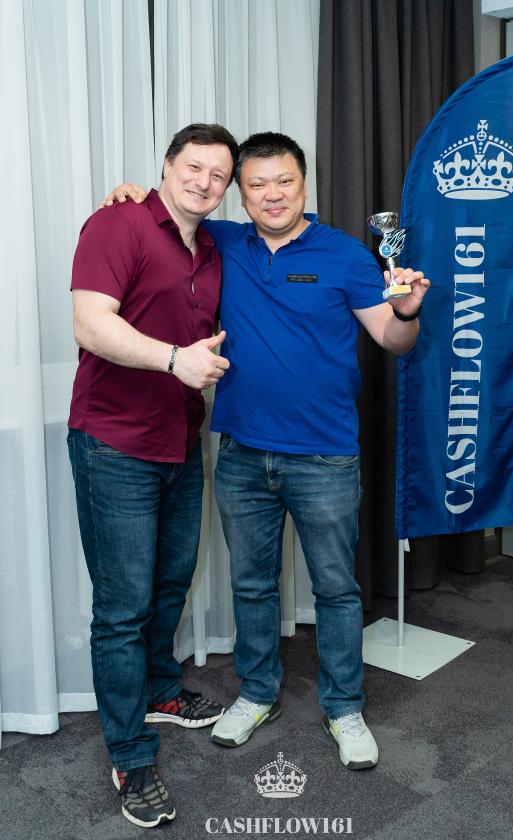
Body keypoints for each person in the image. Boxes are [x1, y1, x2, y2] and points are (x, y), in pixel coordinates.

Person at [103, 131, 429, 774]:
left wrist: (408, 312)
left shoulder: (344, 254)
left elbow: (394, 341)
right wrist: (131, 195)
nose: (272, 195)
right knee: (252, 586)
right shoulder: (222, 243)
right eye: (257, 184)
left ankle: (344, 707)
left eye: (285, 181)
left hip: (325, 457)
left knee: (336, 589)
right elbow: (167, 216)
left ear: (304, 184)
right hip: (243, 454)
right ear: (240, 194)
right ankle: (257, 693)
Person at [68, 123, 239, 828]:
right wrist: (175, 359)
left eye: (218, 174)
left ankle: (161, 691)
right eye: (193, 166)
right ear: (166, 166)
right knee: (122, 607)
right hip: (114, 445)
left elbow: (284, 220)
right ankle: (129, 755)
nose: (204, 181)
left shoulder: (213, 245)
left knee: (170, 583)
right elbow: (90, 324)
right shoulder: (118, 224)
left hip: (179, 442)